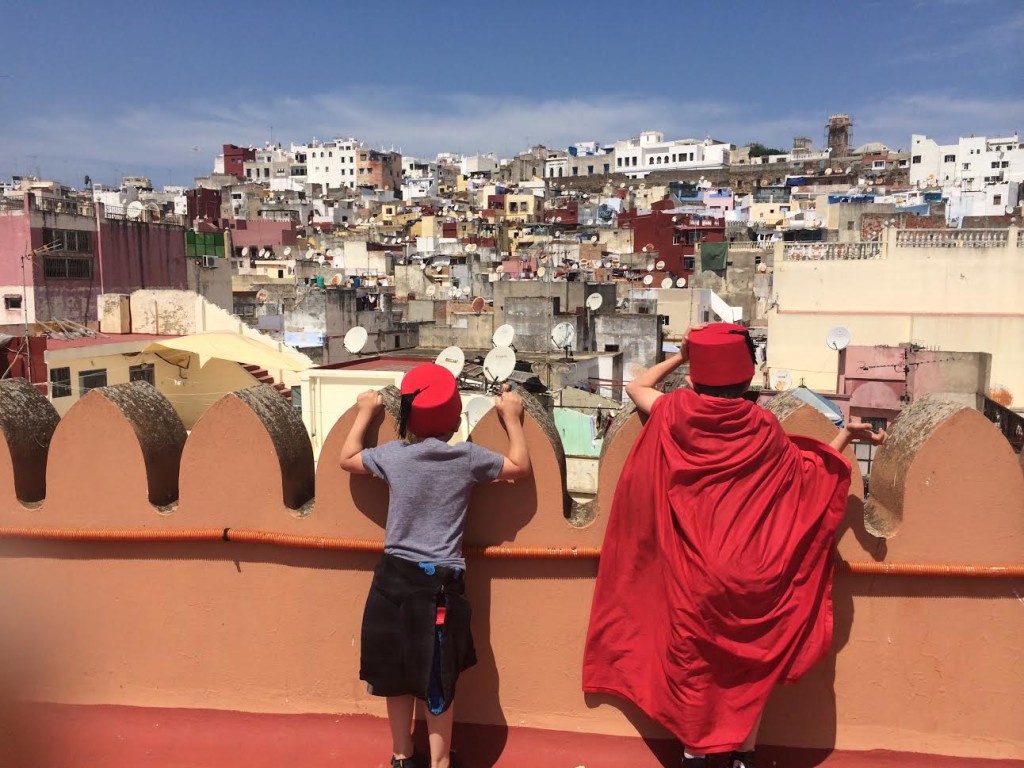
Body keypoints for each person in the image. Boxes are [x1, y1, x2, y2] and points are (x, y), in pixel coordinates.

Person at [582, 324, 885, 768]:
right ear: (746, 380)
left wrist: (682, 356)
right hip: (754, 575)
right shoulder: (762, 426)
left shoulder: (673, 412)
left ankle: (693, 753)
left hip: (692, 576)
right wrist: (844, 441)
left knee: (694, 667)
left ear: (696, 377)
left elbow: (636, 386)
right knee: (750, 670)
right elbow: (808, 478)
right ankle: (742, 754)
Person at [339, 364, 532, 768]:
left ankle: (401, 755)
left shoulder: (394, 456)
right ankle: (440, 762)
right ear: (455, 415)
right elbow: (519, 467)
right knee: (438, 679)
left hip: (391, 578)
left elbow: (347, 458)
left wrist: (365, 411)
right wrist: (512, 419)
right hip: (440, 585)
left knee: (394, 673)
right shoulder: (467, 458)